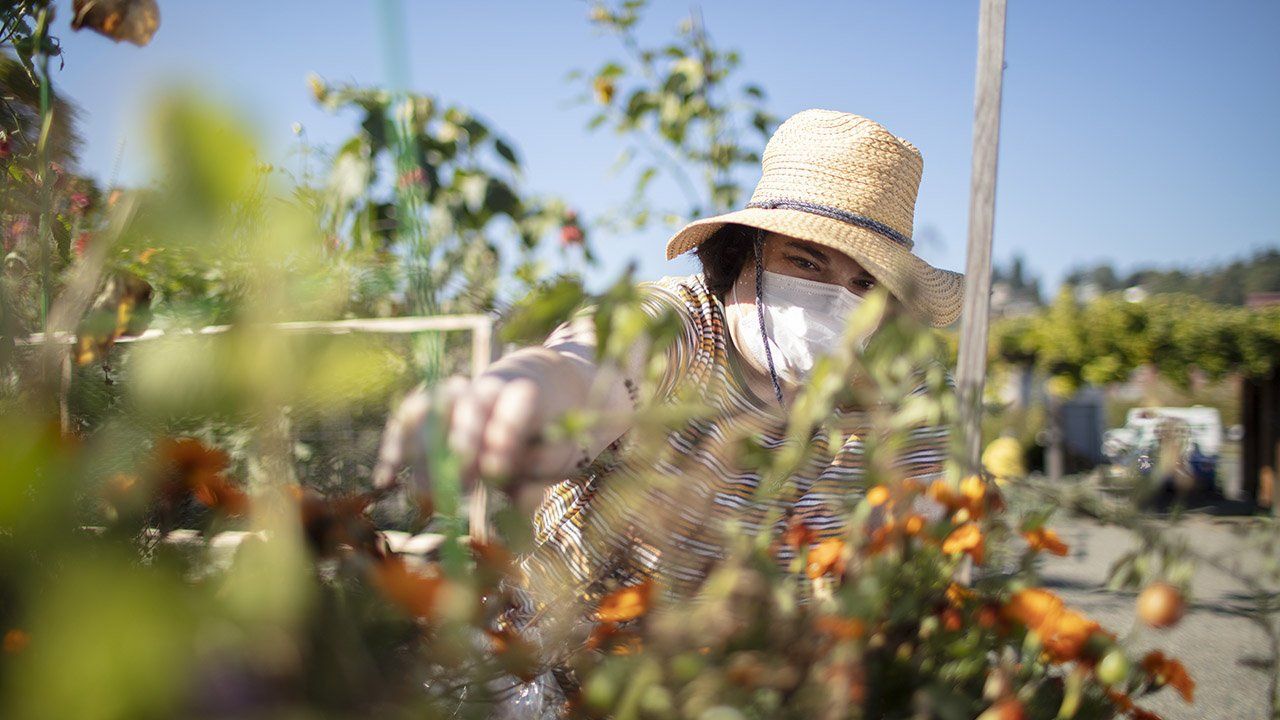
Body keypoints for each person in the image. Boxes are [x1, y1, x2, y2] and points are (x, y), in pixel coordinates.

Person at [373, 109, 964, 712]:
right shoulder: (685, 325)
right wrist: (527, 392)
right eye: (804, 262)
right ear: (742, 254)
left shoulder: (900, 403)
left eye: (864, 284)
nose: (834, 299)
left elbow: (908, 568)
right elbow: (595, 361)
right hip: (555, 672)